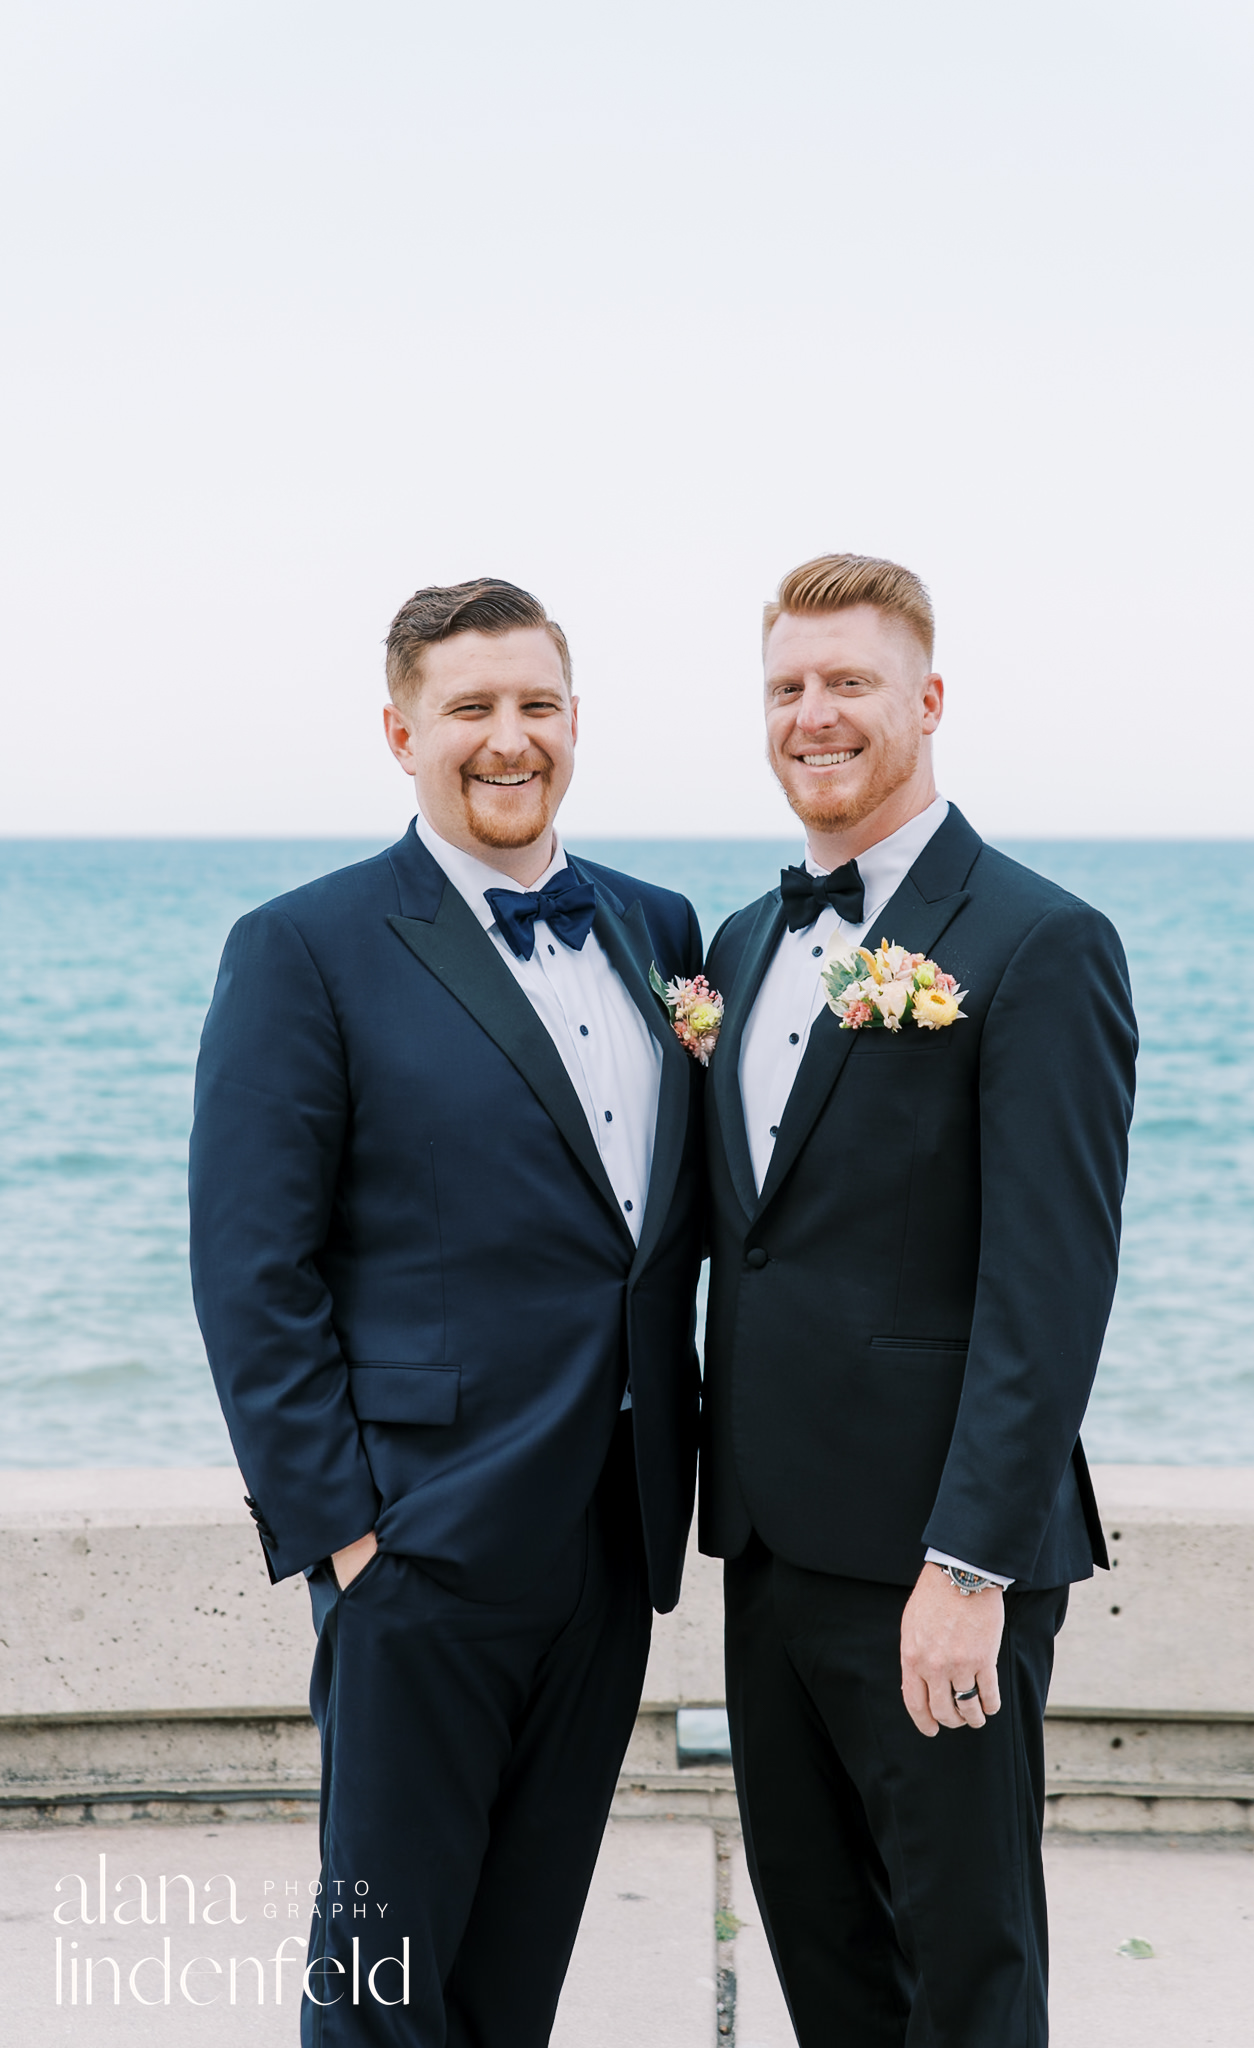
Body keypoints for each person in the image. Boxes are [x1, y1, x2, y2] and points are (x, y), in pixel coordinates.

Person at [189, 578, 705, 2047]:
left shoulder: (655, 927)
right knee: (386, 1987)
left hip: (611, 1538)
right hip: (417, 1544)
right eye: (470, 708)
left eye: (536, 705)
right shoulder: (306, 945)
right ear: (402, 729)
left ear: (576, 722)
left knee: (517, 1966)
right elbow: (249, 1269)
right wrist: (347, 1536)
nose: (508, 739)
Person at [700, 554, 1137, 2046]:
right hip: (764, 1553)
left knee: (965, 1975)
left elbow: (1049, 1286)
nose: (813, 715)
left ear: (928, 700)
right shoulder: (744, 947)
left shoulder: (1041, 941)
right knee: (829, 1970)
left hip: (935, 1575)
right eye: (787, 688)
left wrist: (969, 1569)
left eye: (850, 684)